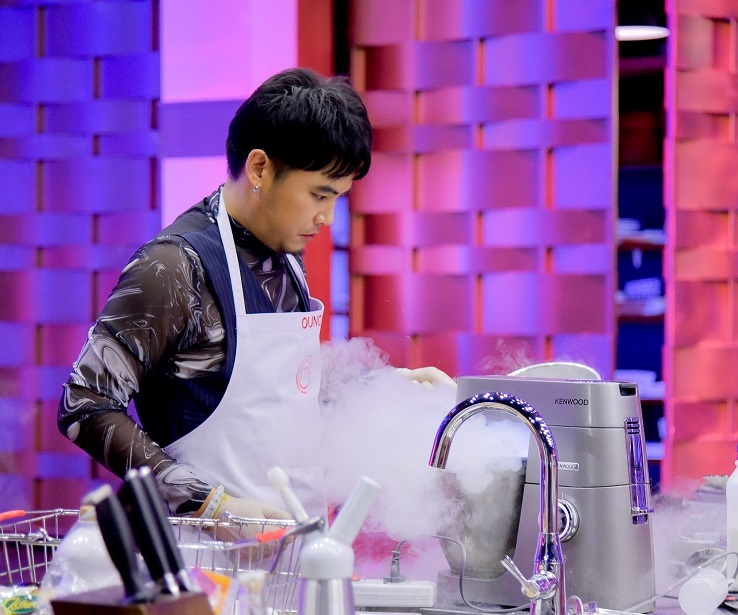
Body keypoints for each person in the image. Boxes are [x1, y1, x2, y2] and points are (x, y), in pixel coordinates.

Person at [57, 67, 451, 540]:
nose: (327, 217)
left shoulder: (285, 257)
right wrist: (210, 506)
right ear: (260, 168)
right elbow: (84, 403)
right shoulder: (173, 266)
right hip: (198, 559)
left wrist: (386, 389)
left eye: (338, 198)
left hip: (292, 556)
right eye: (319, 195)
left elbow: (279, 397)